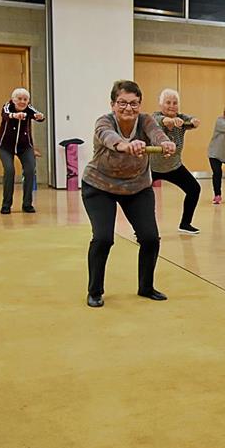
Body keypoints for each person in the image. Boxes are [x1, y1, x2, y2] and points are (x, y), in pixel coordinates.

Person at [81, 80, 176, 308]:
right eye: (122, 103)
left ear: (140, 104)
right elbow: (108, 137)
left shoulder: (145, 121)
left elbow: (157, 133)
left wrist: (166, 143)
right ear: (113, 104)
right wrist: (126, 145)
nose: (128, 108)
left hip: (136, 187)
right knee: (103, 238)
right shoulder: (104, 121)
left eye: (134, 103)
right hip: (99, 186)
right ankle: (95, 291)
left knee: (150, 238)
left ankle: (146, 287)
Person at [150, 89, 202, 234]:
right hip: (152, 168)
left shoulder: (181, 118)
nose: (171, 106)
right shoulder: (155, 117)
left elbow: (193, 121)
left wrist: (193, 121)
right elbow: (162, 121)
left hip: (174, 166)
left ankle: (185, 224)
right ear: (161, 105)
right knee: (144, 197)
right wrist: (172, 121)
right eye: (168, 103)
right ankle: (144, 230)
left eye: (175, 103)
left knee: (194, 189)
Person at [0, 88, 45, 214]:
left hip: (24, 146)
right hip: (5, 146)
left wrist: (40, 116)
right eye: (19, 99)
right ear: (13, 99)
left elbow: (39, 116)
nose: (22, 102)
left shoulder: (29, 108)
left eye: (25, 99)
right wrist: (15, 115)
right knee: (9, 170)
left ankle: (27, 204)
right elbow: (5, 115)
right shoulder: (7, 106)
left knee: (29, 170)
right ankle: (6, 205)